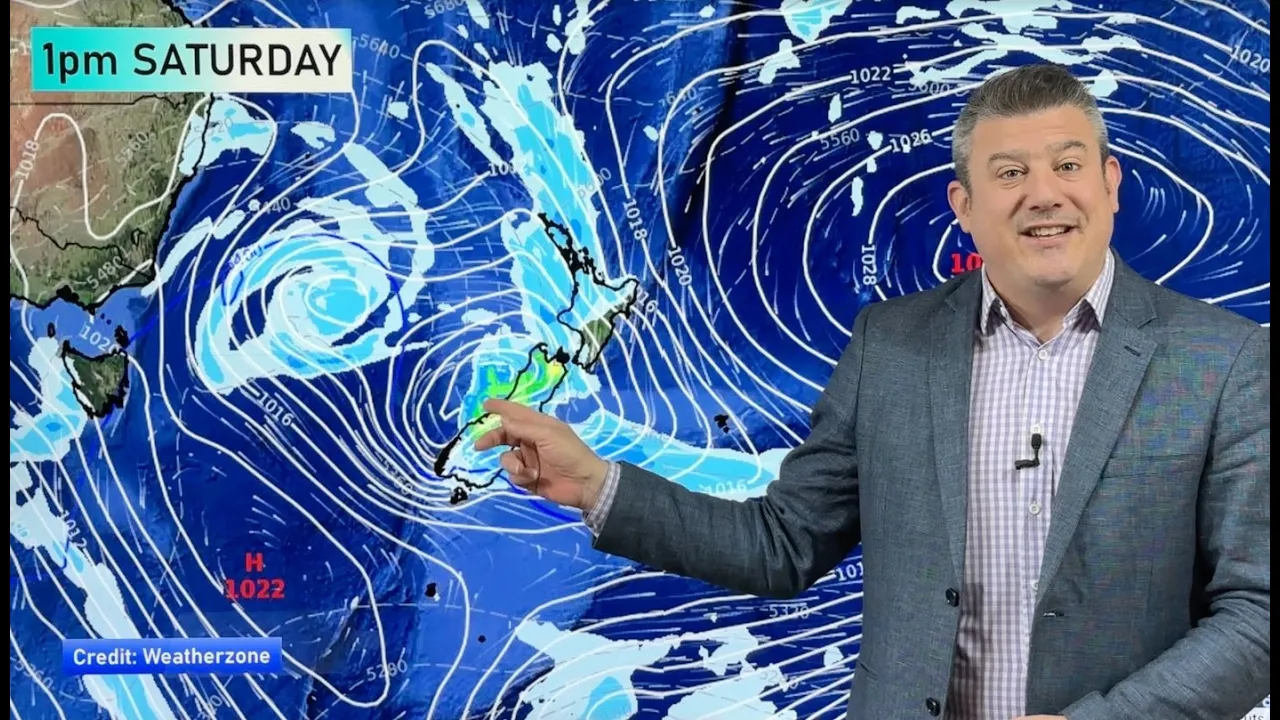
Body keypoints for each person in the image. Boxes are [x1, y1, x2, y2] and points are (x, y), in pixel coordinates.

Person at [474, 63, 1270, 720]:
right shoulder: (889, 346)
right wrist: (597, 484)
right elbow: (783, 545)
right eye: (1009, 173)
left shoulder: (1223, 361)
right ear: (964, 207)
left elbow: (1258, 614)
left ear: (1110, 183)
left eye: (1068, 165)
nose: (1044, 193)